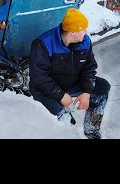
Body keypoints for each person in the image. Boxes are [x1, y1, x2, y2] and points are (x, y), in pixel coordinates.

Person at [29, 8, 110, 139]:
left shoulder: (85, 41)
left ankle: (91, 131)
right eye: (83, 29)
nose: (86, 32)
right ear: (72, 32)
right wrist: (61, 95)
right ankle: (67, 129)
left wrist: (87, 92)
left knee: (102, 89)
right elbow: (39, 77)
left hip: (72, 84)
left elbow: (90, 67)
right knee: (63, 119)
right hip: (46, 90)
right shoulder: (43, 44)